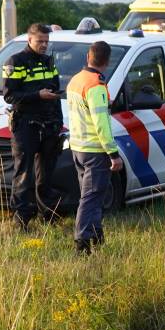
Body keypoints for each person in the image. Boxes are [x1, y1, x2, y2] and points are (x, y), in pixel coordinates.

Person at [65, 41, 123, 253]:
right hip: (95, 150)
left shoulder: (76, 80)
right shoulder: (96, 85)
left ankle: (97, 235)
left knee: (92, 195)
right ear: (107, 61)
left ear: (88, 57)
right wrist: (113, 153)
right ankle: (83, 242)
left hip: (78, 147)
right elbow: (101, 124)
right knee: (90, 198)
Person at [3, 23, 63, 228]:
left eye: (47, 41)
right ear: (29, 40)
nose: (44, 45)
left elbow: (55, 93)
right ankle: (21, 220)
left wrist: (58, 122)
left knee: (46, 174)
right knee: (24, 174)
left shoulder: (48, 61)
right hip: (26, 125)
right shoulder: (15, 62)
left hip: (49, 124)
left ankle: (48, 216)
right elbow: (9, 96)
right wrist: (38, 95)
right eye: (40, 41)